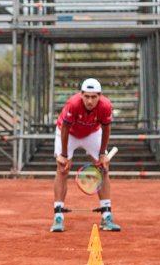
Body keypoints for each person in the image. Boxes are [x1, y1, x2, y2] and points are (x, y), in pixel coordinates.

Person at [51, 78, 121, 233]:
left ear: (100, 96)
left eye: (94, 97)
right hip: (69, 134)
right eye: (87, 96)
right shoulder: (73, 104)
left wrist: (102, 154)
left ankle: (107, 215)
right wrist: (63, 155)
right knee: (62, 170)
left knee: (103, 168)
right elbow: (65, 129)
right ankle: (58, 217)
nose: (90, 100)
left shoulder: (106, 106)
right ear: (81, 94)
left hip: (92, 133)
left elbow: (106, 130)